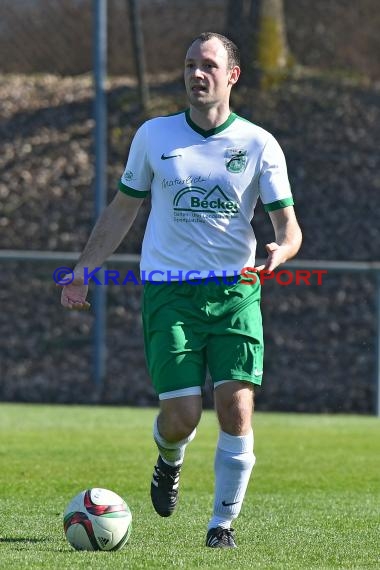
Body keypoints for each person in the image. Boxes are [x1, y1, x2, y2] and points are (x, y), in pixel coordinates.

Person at [59, 31, 302, 548]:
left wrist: (281, 251)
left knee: (236, 406)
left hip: (237, 293)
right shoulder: (154, 136)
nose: (196, 74)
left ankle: (221, 525)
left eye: (208, 65)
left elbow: (289, 227)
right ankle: (169, 459)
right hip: (169, 294)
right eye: (190, 64)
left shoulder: (259, 144)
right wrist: (83, 269)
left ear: (232, 75)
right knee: (182, 416)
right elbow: (123, 208)